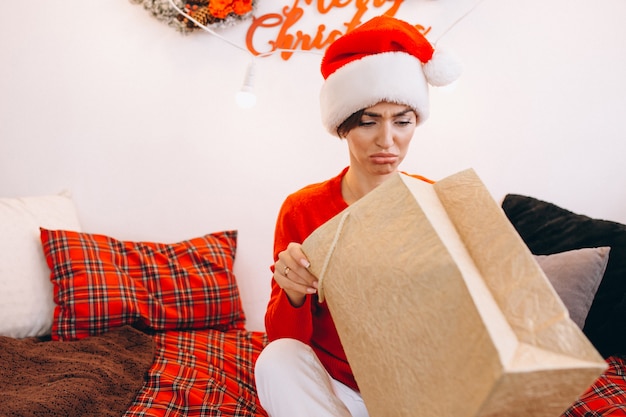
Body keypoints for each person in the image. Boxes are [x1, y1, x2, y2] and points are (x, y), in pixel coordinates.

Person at [254, 15, 461, 417]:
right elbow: (284, 338)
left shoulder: (437, 200)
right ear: (343, 127)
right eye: (368, 122)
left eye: (402, 121)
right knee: (276, 360)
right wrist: (292, 292)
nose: (388, 141)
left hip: (419, 385)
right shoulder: (303, 208)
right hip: (335, 385)